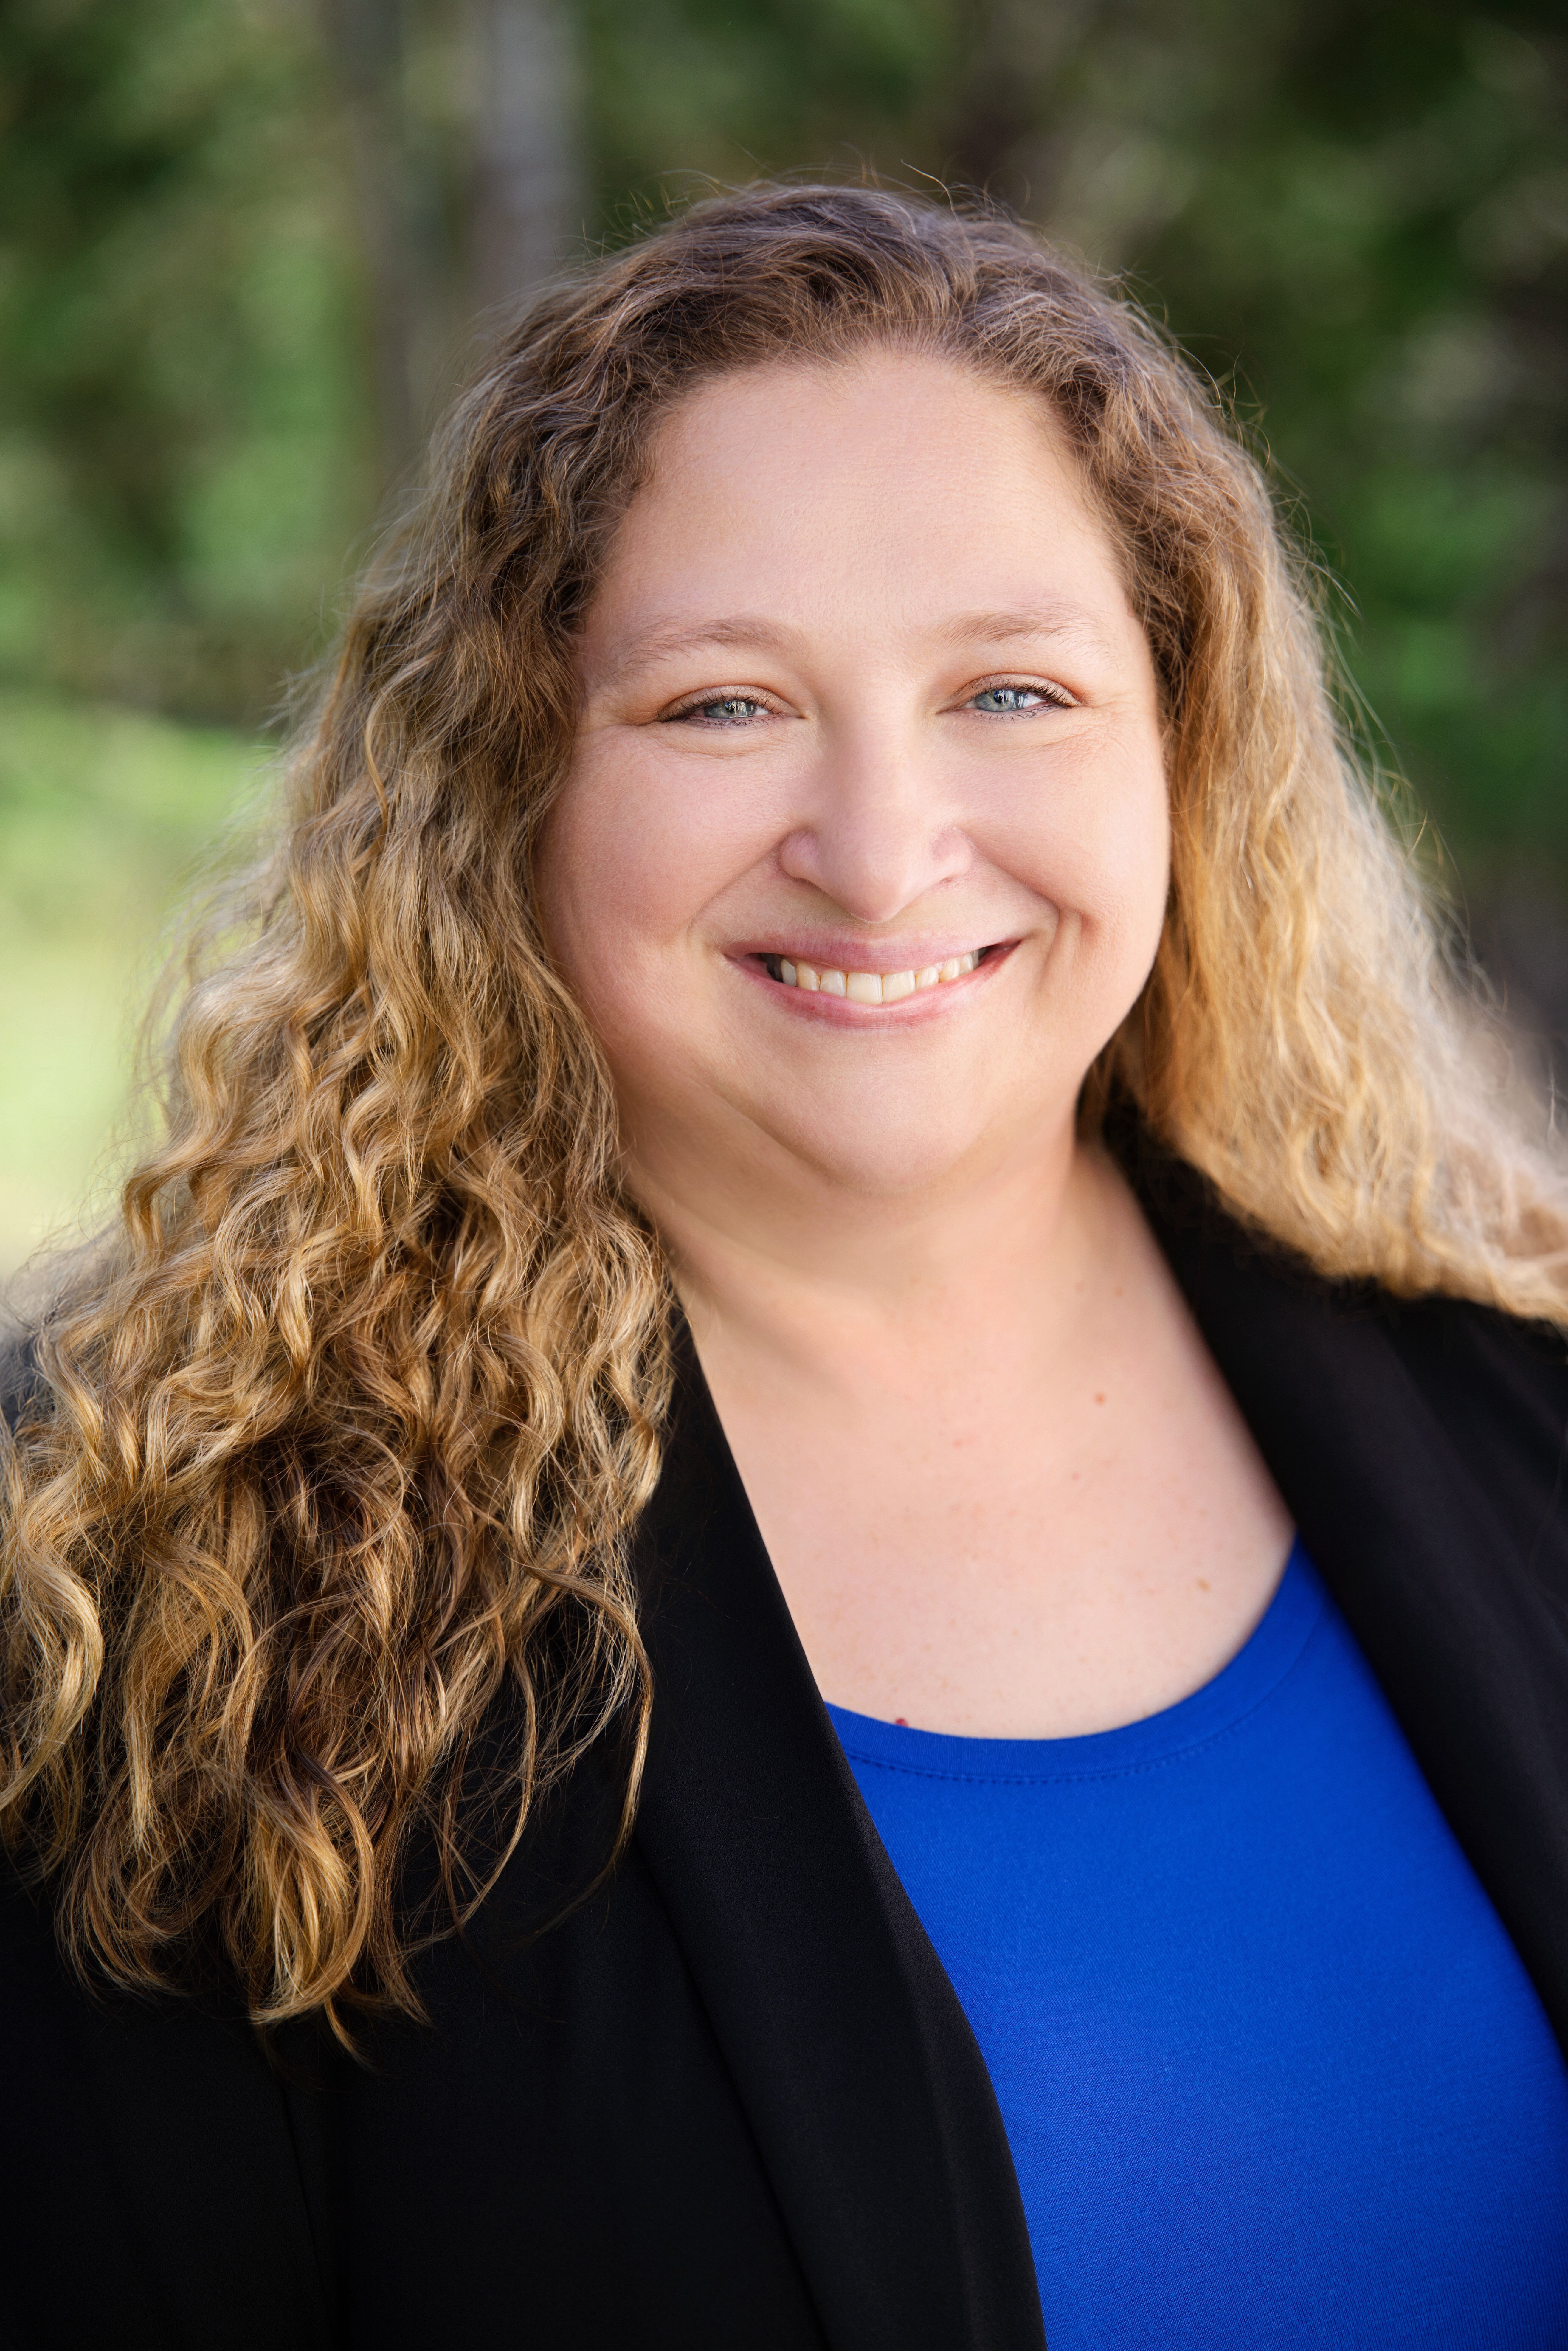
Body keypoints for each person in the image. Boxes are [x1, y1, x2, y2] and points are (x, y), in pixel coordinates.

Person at [2, 182, 1567, 2351]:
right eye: (726, 706)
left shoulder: (1515, 1387)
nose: (883, 845)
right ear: (508, 785)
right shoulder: (154, 1581)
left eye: (1011, 689)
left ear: (1182, 748)